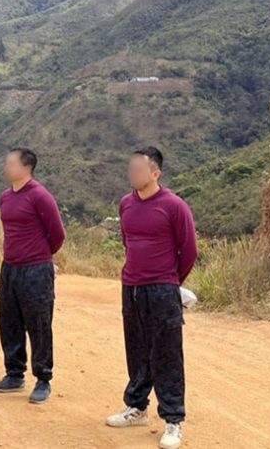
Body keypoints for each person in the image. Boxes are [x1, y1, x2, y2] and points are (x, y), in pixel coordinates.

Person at [105, 147, 197, 449]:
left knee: (167, 354)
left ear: (155, 173)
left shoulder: (174, 206)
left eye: (138, 169)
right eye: (130, 168)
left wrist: (170, 283)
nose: (132, 174)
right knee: (137, 348)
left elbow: (189, 252)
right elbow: (127, 242)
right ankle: (137, 407)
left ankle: (173, 421)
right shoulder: (125, 204)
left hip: (162, 289)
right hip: (130, 287)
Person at [0, 148, 65, 404]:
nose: (6, 167)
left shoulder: (40, 196)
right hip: (10, 268)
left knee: (39, 324)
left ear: (26, 167)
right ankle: (14, 373)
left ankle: (43, 379)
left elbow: (57, 235)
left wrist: (39, 256)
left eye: (11, 163)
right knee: (9, 321)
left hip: (36, 270)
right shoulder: (6, 197)